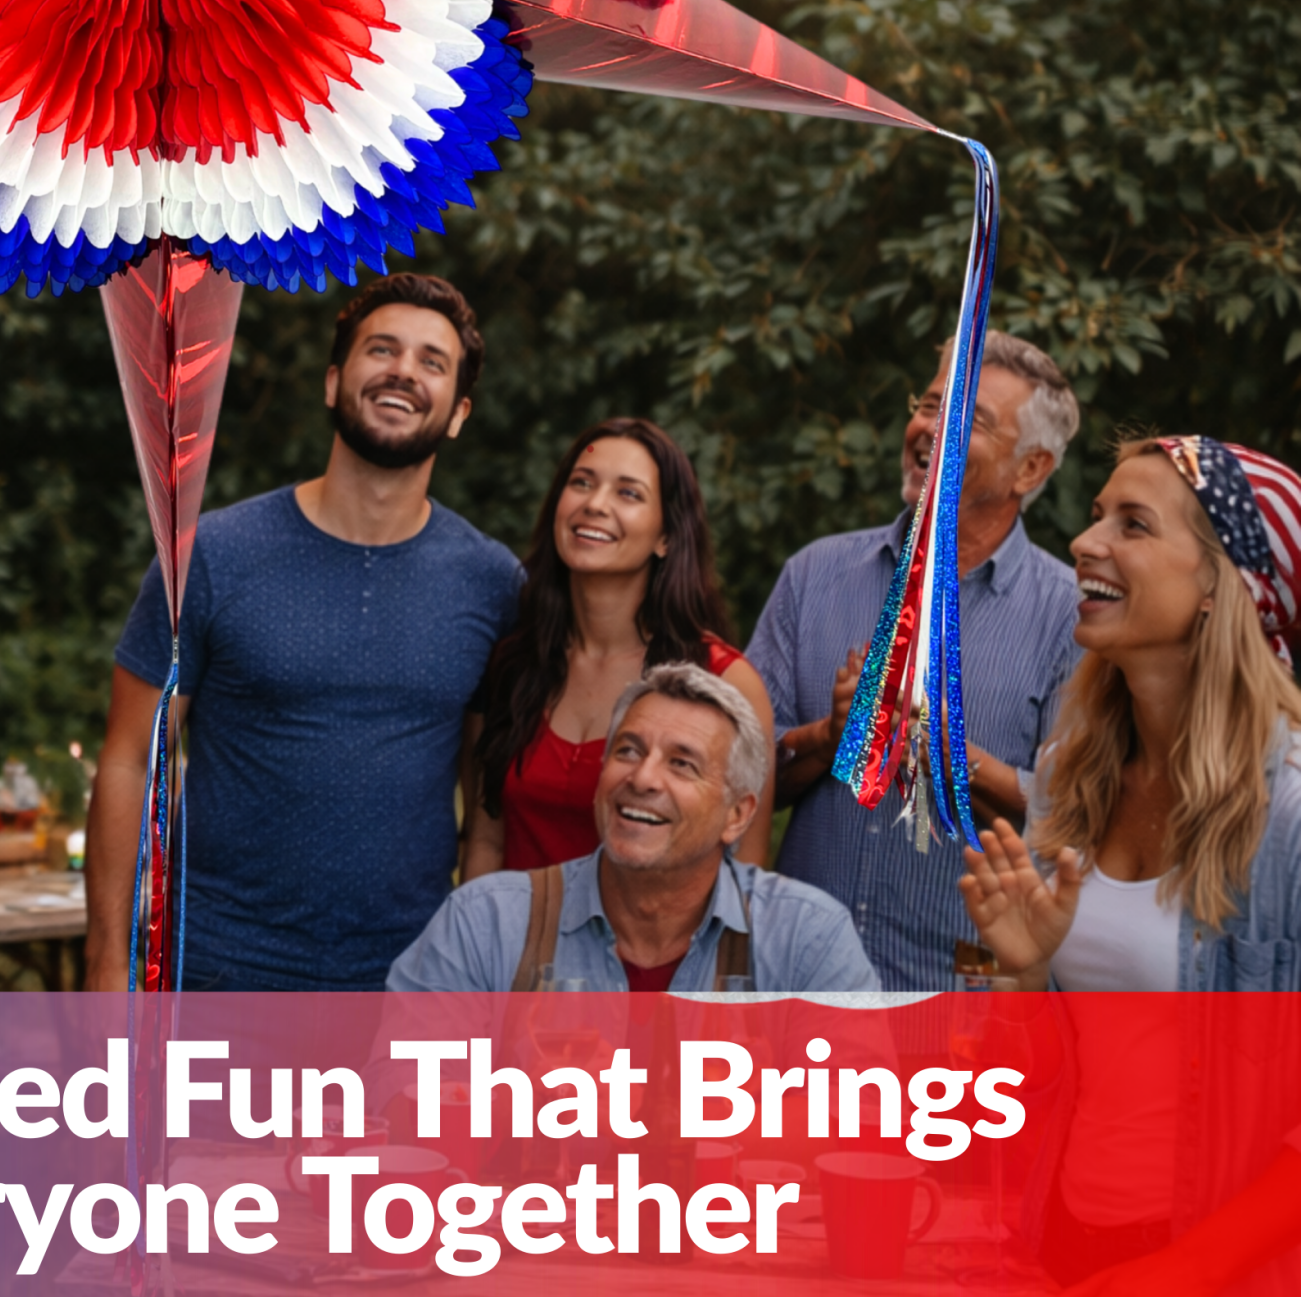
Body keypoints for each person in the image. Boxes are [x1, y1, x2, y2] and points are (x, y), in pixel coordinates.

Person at [85, 272, 523, 991]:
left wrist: (473, 978)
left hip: (409, 981)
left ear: (458, 413)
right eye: (381, 349)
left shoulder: (492, 583)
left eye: (432, 362)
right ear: (332, 381)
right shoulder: (209, 556)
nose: (403, 371)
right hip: (218, 973)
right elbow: (132, 760)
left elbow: (487, 811)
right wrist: (108, 966)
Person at [957, 435, 1301, 1284]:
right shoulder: (1065, 779)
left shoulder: (1289, 816)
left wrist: (1178, 1274)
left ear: (1224, 586)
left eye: (1134, 524)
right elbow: (1034, 1082)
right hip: (1066, 1239)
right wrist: (1019, 978)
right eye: (1098, 514)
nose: (1084, 541)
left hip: (1222, 1268)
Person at [746, 329, 1082, 990]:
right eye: (930, 405)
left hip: (955, 1003)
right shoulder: (814, 575)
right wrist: (830, 737)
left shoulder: (1071, 619)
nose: (933, 429)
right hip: (800, 990)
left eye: (969, 419)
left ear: (1031, 469)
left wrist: (946, 750)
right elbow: (736, 785)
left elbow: (1077, 817)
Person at [387, 663, 878, 990]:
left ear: (737, 815)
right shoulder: (484, 924)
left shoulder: (807, 940)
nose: (642, 778)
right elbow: (405, 1094)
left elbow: (859, 1109)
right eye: (628, 751)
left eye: (682, 764)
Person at [462, 418, 775, 879]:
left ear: (666, 537)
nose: (595, 504)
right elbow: (486, 840)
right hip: (515, 926)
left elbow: (743, 872)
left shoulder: (723, 681)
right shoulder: (513, 664)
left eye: (628, 493)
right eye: (581, 483)